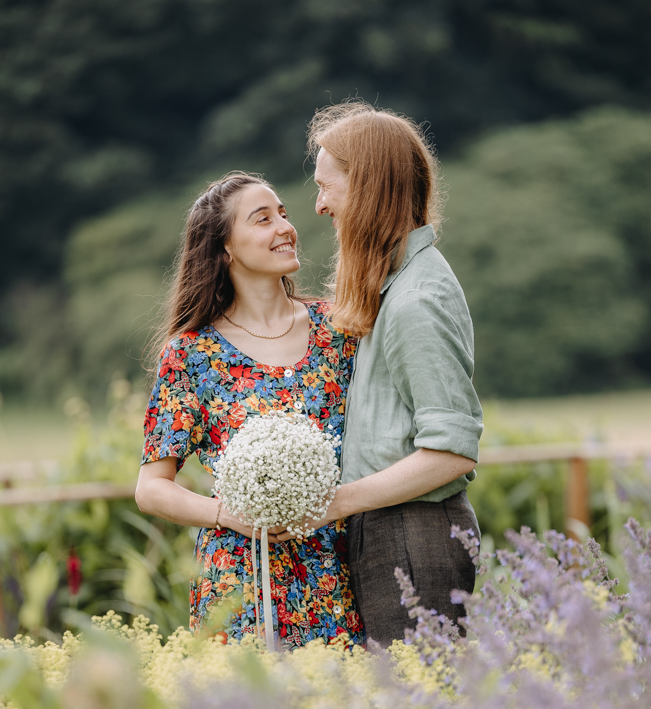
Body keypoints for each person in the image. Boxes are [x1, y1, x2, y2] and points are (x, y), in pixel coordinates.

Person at [135, 172, 363, 649]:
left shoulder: (340, 328)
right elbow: (152, 490)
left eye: (284, 213)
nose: (285, 227)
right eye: (263, 219)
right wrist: (228, 514)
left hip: (339, 568)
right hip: (240, 579)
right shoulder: (192, 354)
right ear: (226, 249)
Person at [308, 103, 483, 645]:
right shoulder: (397, 287)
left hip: (414, 536)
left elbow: (451, 451)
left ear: (365, 189)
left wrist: (340, 501)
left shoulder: (414, 301)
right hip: (398, 530)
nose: (318, 206)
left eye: (325, 187)